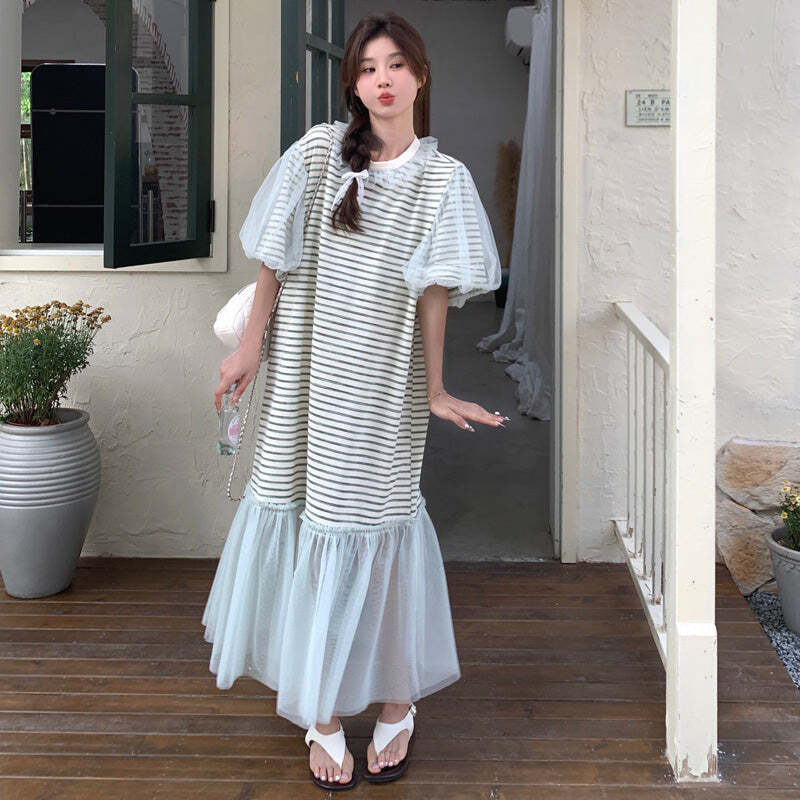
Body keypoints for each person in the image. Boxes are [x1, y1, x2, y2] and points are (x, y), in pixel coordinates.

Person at [204, 10, 506, 791]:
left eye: (396, 63)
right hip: (307, 374)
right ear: (354, 85)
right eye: (368, 67)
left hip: (383, 384)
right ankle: (324, 711)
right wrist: (250, 347)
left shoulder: (444, 180)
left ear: (420, 76)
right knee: (310, 523)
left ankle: (400, 700)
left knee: (380, 531)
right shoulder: (317, 153)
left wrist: (435, 388)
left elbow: (434, 293)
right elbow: (273, 260)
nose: (383, 78)